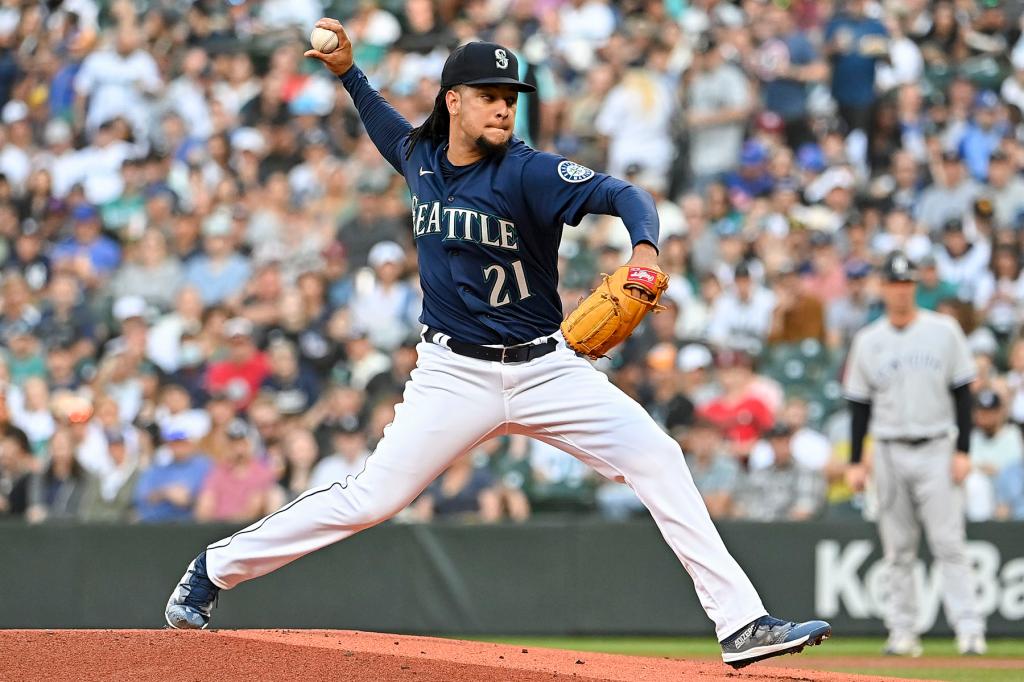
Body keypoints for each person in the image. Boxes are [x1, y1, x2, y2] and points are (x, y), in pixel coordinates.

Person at [163, 23, 830, 668]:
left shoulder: (529, 172)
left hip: (546, 367)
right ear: (453, 100)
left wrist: (646, 251)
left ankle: (741, 624)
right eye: (489, 95)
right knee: (369, 500)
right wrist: (346, 71)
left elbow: (626, 193)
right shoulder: (420, 155)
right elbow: (381, 123)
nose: (504, 108)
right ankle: (211, 569)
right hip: (452, 374)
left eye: (510, 98)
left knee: (659, 456)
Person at [843, 251, 985, 657]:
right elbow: (859, 406)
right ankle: (902, 631)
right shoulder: (869, 339)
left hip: (937, 445)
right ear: (883, 288)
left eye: (907, 284)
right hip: (888, 447)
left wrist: (963, 450)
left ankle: (970, 629)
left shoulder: (944, 330)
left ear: (915, 288)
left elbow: (963, 393)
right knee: (897, 549)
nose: (901, 291)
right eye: (894, 284)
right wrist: (856, 460)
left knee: (949, 543)